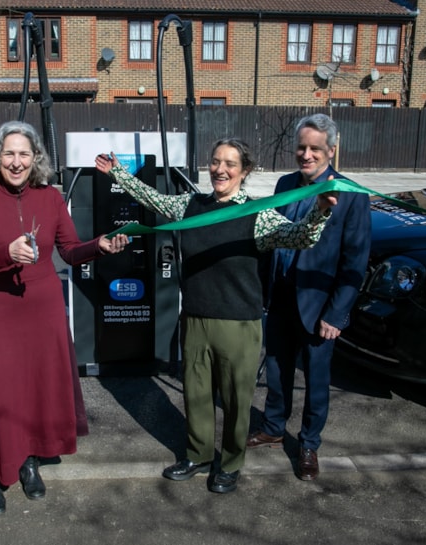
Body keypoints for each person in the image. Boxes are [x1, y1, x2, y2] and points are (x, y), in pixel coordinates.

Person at [95, 139, 335, 494]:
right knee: (196, 394)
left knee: (237, 401)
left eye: (230, 164)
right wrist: (119, 174)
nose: (220, 169)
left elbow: (300, 237)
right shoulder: (191, 205)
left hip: (239, 324)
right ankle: (198, 454)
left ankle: (231, 462)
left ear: (245, 171)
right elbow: (154, 200)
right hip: (194, 319)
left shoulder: (259, 214)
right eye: (215, 161)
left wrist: (320, 211)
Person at [0, 120, 128, 515]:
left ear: (36, 158)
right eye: (8, 154)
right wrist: (6, 253)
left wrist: (98, 246)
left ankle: (29, 461)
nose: (16, 162)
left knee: (36, 388)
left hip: (44, 307)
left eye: (24, 154)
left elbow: (69, 250)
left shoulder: (51, 198)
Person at [246, 113, 371, 481]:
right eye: (302, 147)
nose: (307, 154)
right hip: (281, 297)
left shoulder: (351, 194)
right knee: (276, 369)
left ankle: (309, 444)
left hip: (319, 305)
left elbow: (355, 260)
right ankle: (272, 426)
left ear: (331, 150)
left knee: (316, 380)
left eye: (315, 148)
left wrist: (337, 314)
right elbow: (271, 237)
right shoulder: (285, 184)